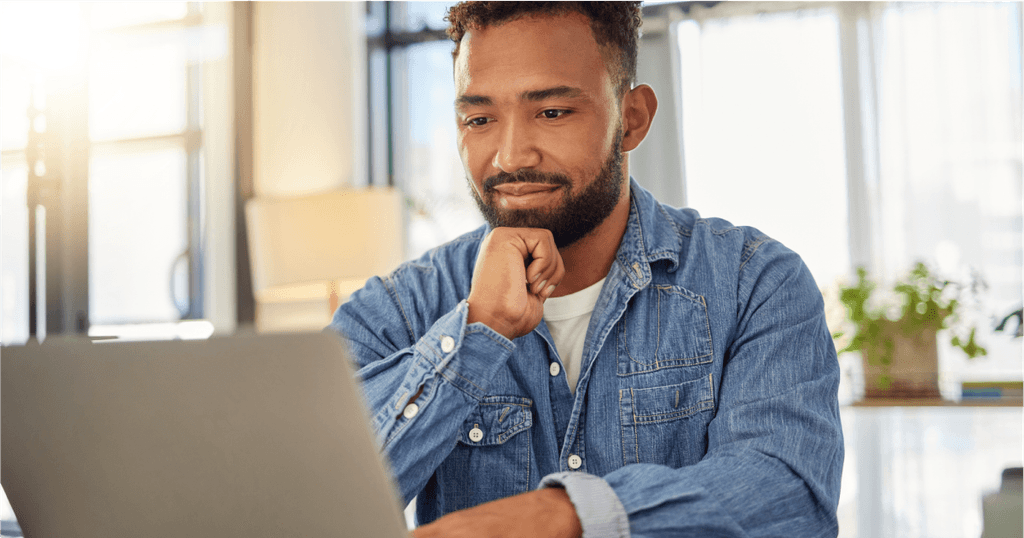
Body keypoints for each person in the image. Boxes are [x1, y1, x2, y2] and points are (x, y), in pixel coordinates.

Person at [328, 2, 844, 536]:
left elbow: (790, 497)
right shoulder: (393, 311)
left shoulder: (755, 283)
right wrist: (474, 335)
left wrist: (567, 515)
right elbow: (311, 505)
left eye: (551, 112)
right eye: (479, 119)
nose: (509, 156)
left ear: (633, 119)